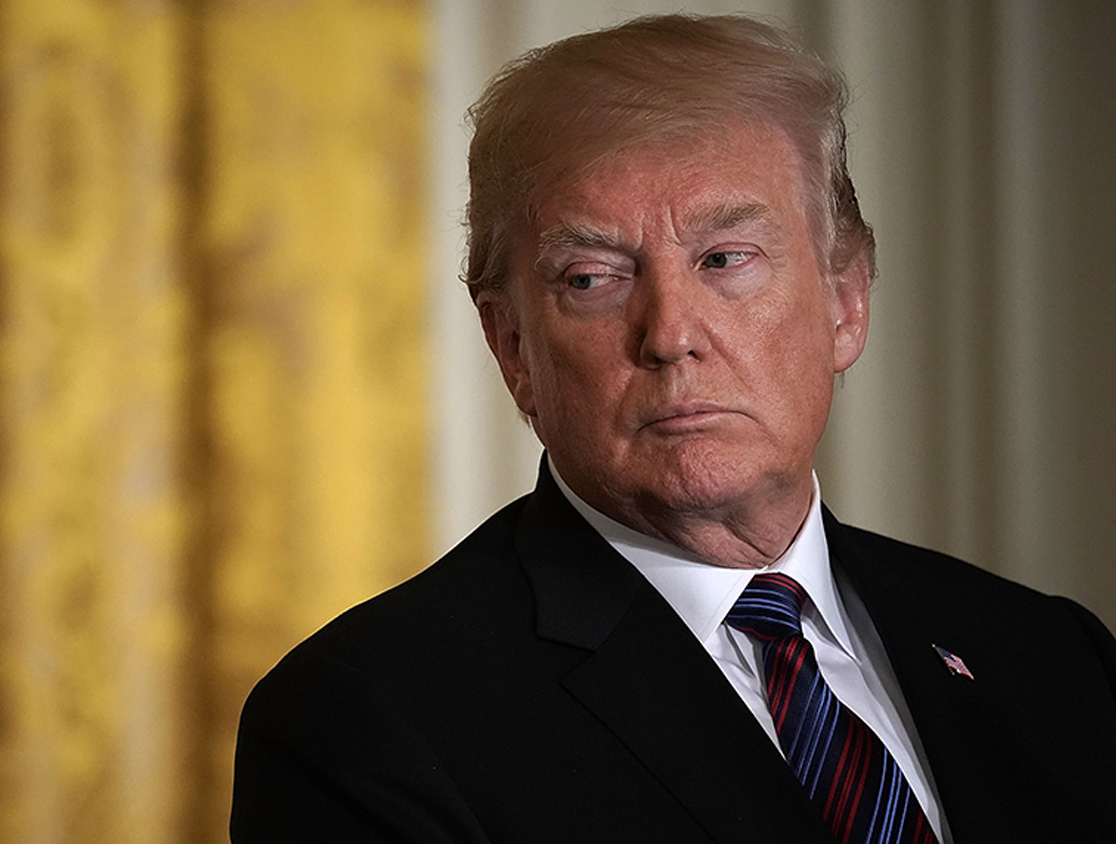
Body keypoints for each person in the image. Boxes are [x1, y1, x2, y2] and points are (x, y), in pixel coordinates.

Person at [230, 15, 1116, 843]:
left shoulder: (1055, 658)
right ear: (513, 348)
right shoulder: (367, 718)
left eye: (725, 259)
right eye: (591, 278)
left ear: (846, 301)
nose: (670, 334)